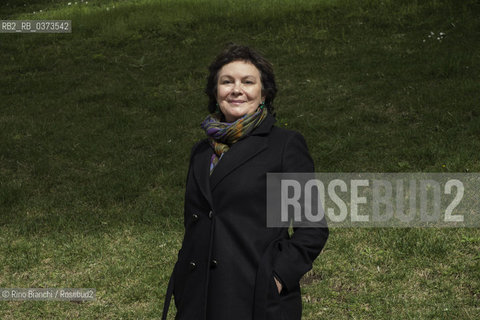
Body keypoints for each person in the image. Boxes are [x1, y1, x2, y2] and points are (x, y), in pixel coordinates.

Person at [161, 44, 329, 320]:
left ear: (263, 93)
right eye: (227, 82)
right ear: (216, 94)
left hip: (254, 300)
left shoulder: (284, 146)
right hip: (197, 299)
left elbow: (312, 228)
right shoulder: (201, 152)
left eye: (248, 82)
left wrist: (275, 277)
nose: (236, 89)